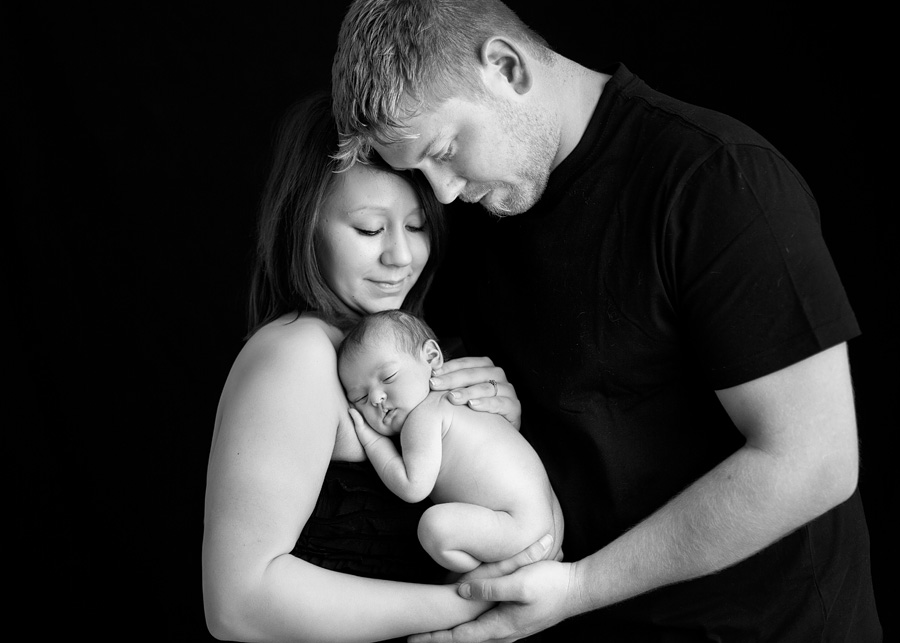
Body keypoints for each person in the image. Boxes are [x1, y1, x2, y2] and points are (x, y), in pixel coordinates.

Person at [331, 1, 882, 641]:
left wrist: (579, 588)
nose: (444, 192)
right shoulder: (476, 216)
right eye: (419, 173)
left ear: (506, 68)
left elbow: (814, 460)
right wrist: (492, 422)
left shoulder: (715, 181)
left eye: (447, 149)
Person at [201, 90, 558, 643]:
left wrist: (492, 440)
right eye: (370, 230)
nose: (400, 257)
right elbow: (240, 603)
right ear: (306, 225)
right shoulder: (295, 355)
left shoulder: (402, 351)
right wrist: (471, 607)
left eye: (416, 227)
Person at [338, 309, 563, 574]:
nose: (376, 398)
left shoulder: (424, 415)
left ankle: (474, 572)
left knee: (433, 528)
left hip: (515, 526)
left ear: (432, 357)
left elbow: (413, 487)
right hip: (551, 519)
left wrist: (372, 441)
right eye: (360, 399)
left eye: (387, 377)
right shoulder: (460, 397)